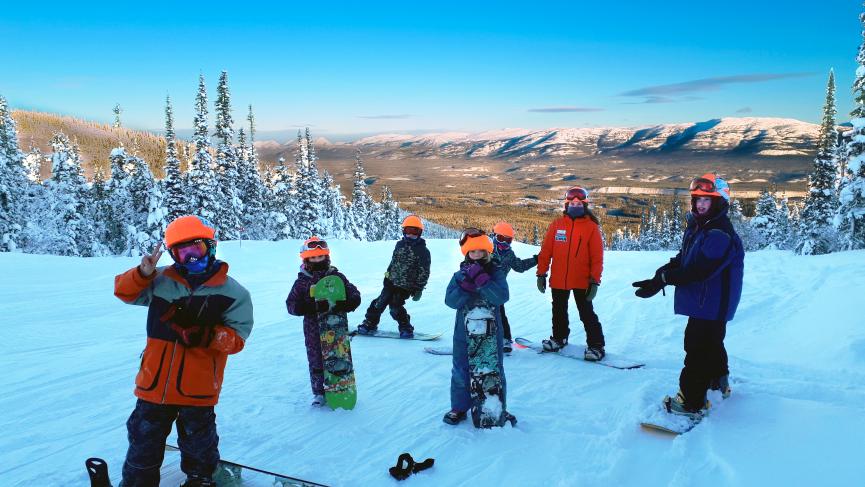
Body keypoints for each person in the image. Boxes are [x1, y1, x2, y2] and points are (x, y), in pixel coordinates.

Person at [113, 215, 254, 487]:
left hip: (198, 387)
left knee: (199, 443)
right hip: (154, 383)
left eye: (196, 249)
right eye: (182, 253)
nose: (190, 259)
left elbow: (238, 339)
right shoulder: (161, 280)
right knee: (143, 439)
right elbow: (124, 292)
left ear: (210, 247)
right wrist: (142, 274)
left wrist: (210, 336)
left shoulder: (234, 292)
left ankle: (200, 480)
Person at [632, 173, 744, 419]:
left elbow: (699, 270)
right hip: (708, 303)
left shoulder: (719, 234)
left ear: (719, 203)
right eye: (697, 199)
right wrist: (659, 275)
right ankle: (718, 382)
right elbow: (684, 259)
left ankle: (692, 402)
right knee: (711, 343)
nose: (701, 204)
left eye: (707, 200)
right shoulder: (700, 227)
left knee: (696, 347)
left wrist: (665, 279)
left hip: (711, 303)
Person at [442, 229, 510, 425]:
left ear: (488, 252)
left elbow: (501, 297)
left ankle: (498, 407)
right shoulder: (459, 276)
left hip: (491, 332)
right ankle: (459, 407)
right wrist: (465, 287)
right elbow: (450, 301)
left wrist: (483, 282)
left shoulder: (496, 273)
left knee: (494, 369)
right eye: (473, 252)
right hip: (463, 332)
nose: (477, 255)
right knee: (461, 369)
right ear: (466, 254)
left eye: (481, 251)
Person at [286, 236, 362, 406]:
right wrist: (309, 308)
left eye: (320, 257)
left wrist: (349, 303)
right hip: (313, 329)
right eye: (313, 257)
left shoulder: (337, 277)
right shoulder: (302, 283)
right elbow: (291, 305)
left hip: (337, 328)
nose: (317, 260)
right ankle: (319, 392)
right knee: (316, 360)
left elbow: (354, 294)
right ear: (306, 259)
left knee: (339, 356)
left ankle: (342, 385)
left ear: (326, 257)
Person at [536, 186, 606, 361]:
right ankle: (559, 338)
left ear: (585, 204)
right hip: (559, 278)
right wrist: (541, 273)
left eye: (579, 203)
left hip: (582, 280)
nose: (575, 205)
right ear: (566, 204)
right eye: (572, 202)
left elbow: (597, 257)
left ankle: (596, 346)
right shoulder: (557, 225)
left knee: (586, 313)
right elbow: (546, 251)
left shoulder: (591, 227)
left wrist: (595, 281)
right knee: (558, 310)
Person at [358, 215, 431, 338]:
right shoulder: (399, 245)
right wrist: (387, 276)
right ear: (404, 231)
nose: (411, 235)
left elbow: (424, 272)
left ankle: (405, 327)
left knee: (395, 306)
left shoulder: (423, 251)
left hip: (406, 286)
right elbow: (393, 262)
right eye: (408, 231)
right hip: (391, 282)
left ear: (420, 233)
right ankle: (370, 322)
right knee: (379, 302)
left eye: (415, 232)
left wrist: (419, 288)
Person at [489, 221, 538, 352]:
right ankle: (474, 337)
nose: (504, 243)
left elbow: (520, 266)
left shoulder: (509, 254)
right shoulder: (486, 249)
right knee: (478, 313)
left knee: (499, 314)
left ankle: (505, 339)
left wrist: (536, 260)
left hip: (498, 290)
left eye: (508, 240)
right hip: (482, 287)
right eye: (500, 238)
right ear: (494, 236)